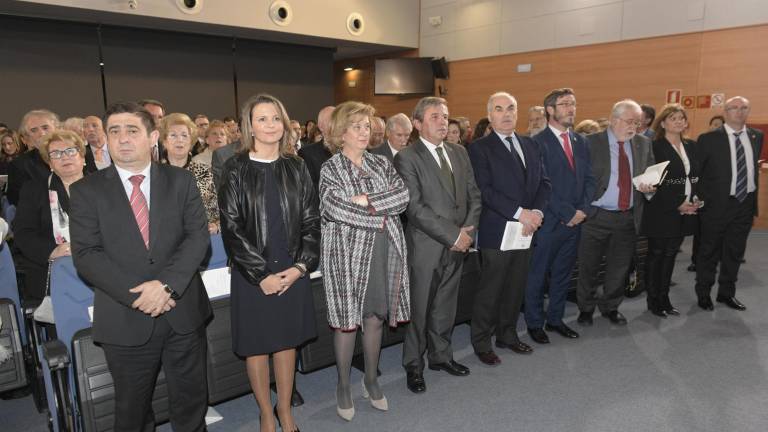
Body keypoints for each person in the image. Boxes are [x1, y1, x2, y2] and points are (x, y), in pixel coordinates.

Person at [69, 102, 212, 432]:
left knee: (191, 401)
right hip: (124, 315)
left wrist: (164, 286)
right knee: (132, 410)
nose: (123, 139)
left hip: (182, 310)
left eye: (132, 130)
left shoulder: (181, 182)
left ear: (151, 137)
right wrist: (141, 295)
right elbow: (87, 255)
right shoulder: (86, 191)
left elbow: (197, 238)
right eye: (114, 131)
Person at [219, 94, 319, 432]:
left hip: (292, 268)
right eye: (262, 119)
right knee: (257, 347)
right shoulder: (234, 167)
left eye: (276, 118)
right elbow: (230, 227)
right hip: (252, 274)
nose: (271, 125)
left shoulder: (297, 165)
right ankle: (265, 411)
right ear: (249, 125)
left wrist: (301, 266)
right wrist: (261, 274)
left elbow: (311, 220)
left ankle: (285, 409)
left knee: (286, 342)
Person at [319, 101, 410, 421]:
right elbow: (335, 209)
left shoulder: (382, 164)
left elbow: (402, 197)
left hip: (384, 250)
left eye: (366, 126)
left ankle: (371, 379)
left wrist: (368, 202)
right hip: (345, 254)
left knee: (374, 318)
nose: (363, 131)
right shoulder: (330, 168)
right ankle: (343, 385)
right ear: (340, 132)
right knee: (346, 323)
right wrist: (379, 214)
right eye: (356, 126)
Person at [395, 96, 481, 393]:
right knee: (420, 309)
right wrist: (453, 235)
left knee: (446, 303)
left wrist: (468, 230)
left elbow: (474, 194)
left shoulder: (459, 152)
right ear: (417, 124)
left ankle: (441, 356)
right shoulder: (407, 157)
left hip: (460, 241)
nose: (443, 121)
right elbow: (415, 208)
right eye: (434, 116)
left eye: (445, 115)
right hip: (427, 246)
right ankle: (413, 365)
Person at [468, 92, 551, 365]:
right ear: (490, 115)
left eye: (511, 109)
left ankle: (507, 335)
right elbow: (486, 190)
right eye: (499, 109)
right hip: (497, 231)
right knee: (490, 290)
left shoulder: (531, 145)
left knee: (516, 287)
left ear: (518, 113)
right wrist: (521, 214)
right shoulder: (480, 148)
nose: (506, 114)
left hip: (527, 230)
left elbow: (544, 183)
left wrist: (536, 213)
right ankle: (481, 342)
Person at [576, 99, 656, 326]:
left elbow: (650, 174)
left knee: (619, 268)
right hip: (596, 215)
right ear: (613, 120)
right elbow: (578, 179)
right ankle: (586, 308)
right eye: (630, 121)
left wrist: (650, 188)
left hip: (628, 216)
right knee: (588, 266)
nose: (634, 127)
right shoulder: (590, 142)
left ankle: (611, 307)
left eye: (637, 123)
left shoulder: (643, 143)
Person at [525, 88, 592, 345]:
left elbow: (589, 179)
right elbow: (541, 184)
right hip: (549, 222)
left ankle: (555, 319)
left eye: (573, 104)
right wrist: (567, 212)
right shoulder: (536, 143)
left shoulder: (581, 142)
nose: (571, 109)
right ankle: (534, 323)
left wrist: (583, 210)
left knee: (563, 274)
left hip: (576, 221)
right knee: (537, 274)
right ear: (550, 110)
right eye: (565, 104)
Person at [694, 96, 763, 311]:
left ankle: (726, 293)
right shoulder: (708, 139)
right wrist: (698, 199)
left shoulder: (756, 136)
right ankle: (704, 293)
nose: (739, 112)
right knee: (709, 252)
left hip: (744, 204)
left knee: (734, 252)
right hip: (716, 206)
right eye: (734, 108)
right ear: (725, 111)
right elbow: (695, 173)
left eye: (744, 107)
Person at [12, 131, 87, 307]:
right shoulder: (34, 190)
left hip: (100, 267)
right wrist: (53, 251)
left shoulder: (103, 187)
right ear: (50, 163)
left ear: (82, 156)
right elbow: (23, 233)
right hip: (52, 271)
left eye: (71, 150)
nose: (64, 157)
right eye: (56, 154)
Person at [641, 103, 701, 317]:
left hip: (685, 210)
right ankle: (653, 299)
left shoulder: (692, 146)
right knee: (657, 254)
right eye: (673, 118)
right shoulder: (654, 146)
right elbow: (654, 181)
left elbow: (695, 178)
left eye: (681, 118)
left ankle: (664, 297)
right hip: (661, 209)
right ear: (663, 122)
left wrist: (695, 199)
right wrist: (677, 202)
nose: (678, 121)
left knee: (670, 255)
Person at [160, 113, 220, 234]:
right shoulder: (154, 173)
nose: (180, 140)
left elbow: (222, 213)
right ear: (165, 142)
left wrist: (217, 226)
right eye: (173, 135)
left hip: (202, 239)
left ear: (191, 141)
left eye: (184, 135)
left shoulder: (206, 172)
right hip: (164, 243)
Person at [7, 109, 60, 205]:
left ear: (57, 129)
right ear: (27, 138)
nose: (42, 134)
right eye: (34, 130)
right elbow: (18, 200)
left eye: (45, 127)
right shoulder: (19, 165)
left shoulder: (76, 155)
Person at [297, 106, 335, 193]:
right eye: (333, 120)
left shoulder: (350, 151)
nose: (338, 124)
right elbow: (310, 191)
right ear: (321, 126)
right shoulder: (307, 153)